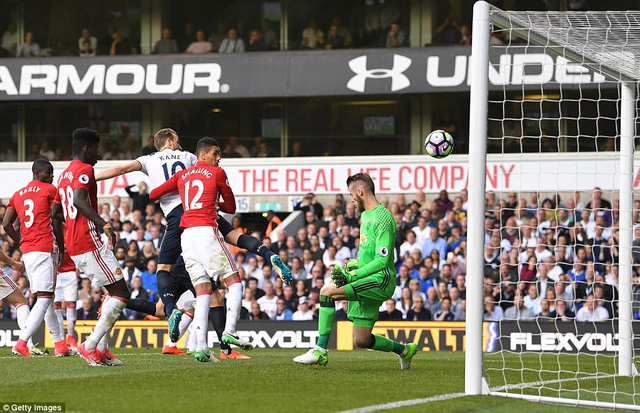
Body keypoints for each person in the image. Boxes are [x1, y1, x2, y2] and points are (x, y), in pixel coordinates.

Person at [96, 128, 292, 344]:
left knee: (167, 274)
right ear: (169, 141)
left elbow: (122, 169)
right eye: (178, 141)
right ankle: (266, 254)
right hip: (199, 213)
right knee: (230, 249)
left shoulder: (148, 160)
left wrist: (92, 178)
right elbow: (204, 173)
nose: (180, 145)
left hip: (180, 223)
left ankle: (174, 316)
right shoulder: (189, 157)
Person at [294, 173, 417, 368]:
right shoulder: (366, 215)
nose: (351, 199)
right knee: (361, 340)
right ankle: (405, 350)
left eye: (352, 195)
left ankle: (320, 350)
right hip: (368, 277)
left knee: (326, 292)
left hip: (380, 280)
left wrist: (353, 275)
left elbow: (383, 260)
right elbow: (371, 255)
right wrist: (355, 263)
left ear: (360, 192)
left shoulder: (383, 218)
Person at [149, 137, 248, 362]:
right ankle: (230, 332)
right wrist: (212, 202)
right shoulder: (218, 173)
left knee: (202, 290)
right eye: (215, 153)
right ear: (203, 155)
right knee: (234, 281)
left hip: (187, 237)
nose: (219, 157)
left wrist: (186, 198)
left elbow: (154, 194)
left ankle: (201, 347)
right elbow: (231, 207)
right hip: (206, 231)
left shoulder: (182, 175)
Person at [52, 128, 131, 366]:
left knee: (112, 292)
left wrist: (65, 241)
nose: (99, 152)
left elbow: (56, 213)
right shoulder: (85, 170)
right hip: (89, 241)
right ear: (86, 149)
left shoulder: (64, 174)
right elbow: (78, 200)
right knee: (121, 293)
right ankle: (89, 345)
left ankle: (102, 349)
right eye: (96, 148)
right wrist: (103, 223)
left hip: (76, 245)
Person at [3, 159, 70, 358]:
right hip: (45, 247)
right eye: (49, 172)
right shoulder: (50, 190)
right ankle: (22, 343)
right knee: (45, 297)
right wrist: (62, 248)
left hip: (28, 250)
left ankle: (60, 345)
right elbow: (57, 220)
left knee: (45, 297)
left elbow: (6, 224)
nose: (52, 176)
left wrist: (21, 240)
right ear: (38, 173)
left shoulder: (17, 194)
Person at [53, 250, 79, 352]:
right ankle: (62, 340)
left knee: (71, 303)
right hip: (55, 272)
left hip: (70, 271)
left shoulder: (69, 233)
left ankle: (71, 337)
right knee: (56, 305)